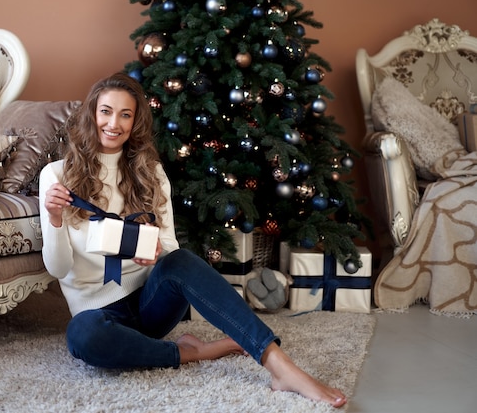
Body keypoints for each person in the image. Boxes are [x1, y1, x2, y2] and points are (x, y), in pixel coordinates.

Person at [39, 72, 347, 408]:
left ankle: (278, 363)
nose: (114, 123)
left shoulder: (150, 173)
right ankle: (190, 352)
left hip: (151, 304)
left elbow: (171, 250)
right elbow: (58, 268)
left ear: (136, 122)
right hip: (97, 314)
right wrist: (55, 219)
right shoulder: (57, 176)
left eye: (125, 115)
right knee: (83, 337)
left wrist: (155, 254)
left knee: (180, 260)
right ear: (92, 115)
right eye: (106, 112)